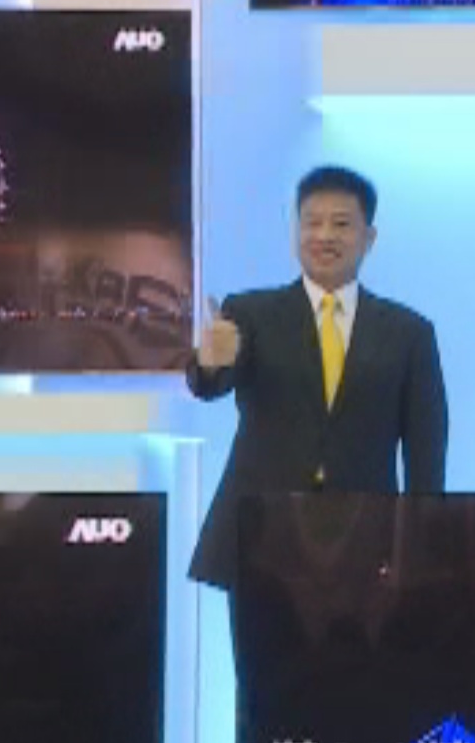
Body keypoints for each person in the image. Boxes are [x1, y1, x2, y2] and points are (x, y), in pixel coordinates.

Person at [186, 166, 449, 591]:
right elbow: (208, 386)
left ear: (369, 238)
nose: (324, 236)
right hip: (263, 531)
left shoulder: (409, 332)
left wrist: (421, 543)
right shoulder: (251, 314)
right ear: (296, 232)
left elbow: (426, 448)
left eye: (341, 224)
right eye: (312, 222)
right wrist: (210, 361)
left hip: (366, 535)